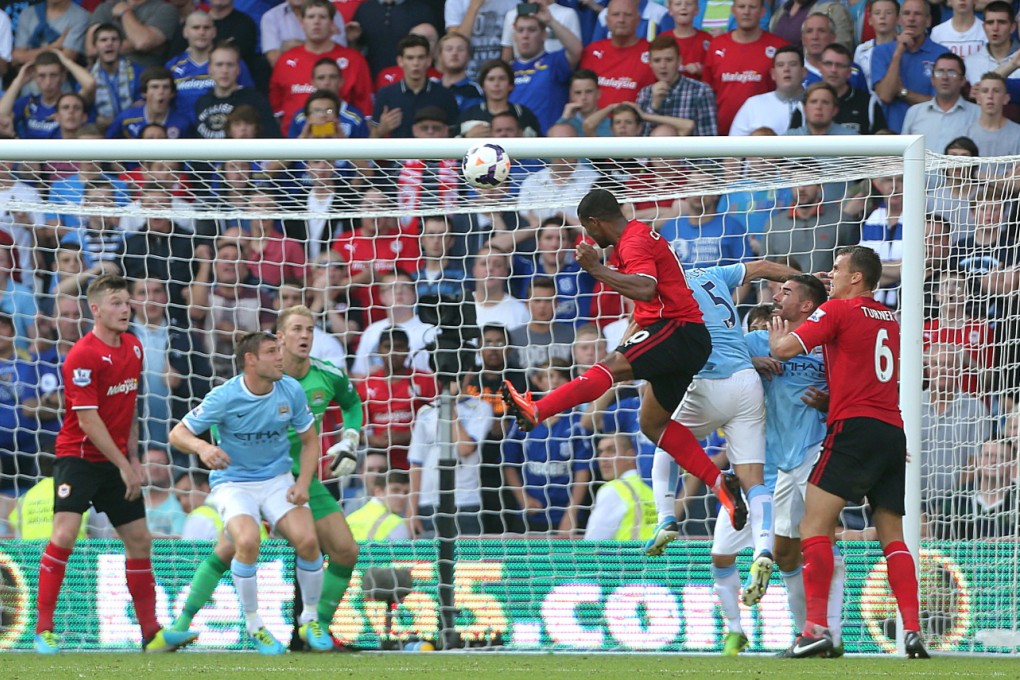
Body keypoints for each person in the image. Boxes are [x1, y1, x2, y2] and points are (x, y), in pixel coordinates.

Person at [502, 188, 748, 531]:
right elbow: (648, 299)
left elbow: (646, 289)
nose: (589, 237)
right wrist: (629, 334)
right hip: (685, 338)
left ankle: (538, 410)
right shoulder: (633, 240)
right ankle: (720, 485)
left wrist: (596, 270)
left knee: (608, 368)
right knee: (652, 425)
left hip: (677, 330)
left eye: (588, 230)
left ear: (595, 221)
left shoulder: (633, 241)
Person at [768, 245, 929, 659]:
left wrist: (778, 338)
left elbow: (785, 351)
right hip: (891, 431)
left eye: (837, 269)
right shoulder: (892, 319)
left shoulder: (838, 311)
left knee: (813, 527)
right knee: (893, 537)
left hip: (852, 430)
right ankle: (912, 630)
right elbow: (882, 371)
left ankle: (814, 629)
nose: (830, 274)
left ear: (856, 277)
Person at [169, 306, 362, 649]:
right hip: (241, 479)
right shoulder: (233, 391)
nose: (305, 336)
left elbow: (347, 407)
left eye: (311, 330)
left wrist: (350, 439)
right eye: (298, 330)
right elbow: (189, 429)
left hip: (289, 477)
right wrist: (204, 448)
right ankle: (182, 624)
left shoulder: (316, 379)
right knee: (234, 547)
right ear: (279, 338)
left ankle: (316, 626)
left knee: (343, 549)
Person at [33, 275, 196, 654]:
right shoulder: (83, 356)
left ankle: (152, 634)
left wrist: (133, 459)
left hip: (119, 458)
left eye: (127, 303)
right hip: (80, 457)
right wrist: (124, 463)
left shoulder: (134, 347)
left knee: (140, 541)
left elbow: (129, 409)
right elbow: (88, 420)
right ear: (96, 309)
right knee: (64, 536)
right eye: (117, 303)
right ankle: (43, 630)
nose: (126, 309)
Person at [645, 259, 797, 612]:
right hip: (745, 381)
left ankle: (666, 517)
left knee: (664, 440)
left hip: (707, 380)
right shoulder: (712, 272)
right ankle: (763, 548)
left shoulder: (659, 289)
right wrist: (798, 280)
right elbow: (760, 267)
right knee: (754, 481)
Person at [407, 381, 493, 537]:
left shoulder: (481, 408)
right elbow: (416, 462)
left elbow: (465, 448)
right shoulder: (425, 411)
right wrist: (411, 512)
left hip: (465, 501)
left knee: (468, 561)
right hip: (428, 502)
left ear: (470, 372)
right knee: (430, 559)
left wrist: (449, 405)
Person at [702, 0, 788, 135]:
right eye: (742, 7)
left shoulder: (779, 47)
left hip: (764, 136)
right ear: (733, 11)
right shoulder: (716, 45)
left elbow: (787, 92)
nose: (746, 12)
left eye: (752, 7)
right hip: (721, 136)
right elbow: (707, 93)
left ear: (762, 12)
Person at [871, 0, 947, 133]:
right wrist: (898, 53)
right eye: (906, 14)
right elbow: (885, 95)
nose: (911, 19)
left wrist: (902, 92)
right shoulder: (881, 52)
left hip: (929, 132)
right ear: (899, 20)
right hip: (892, 134)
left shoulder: (942, 54)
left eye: (917, 14)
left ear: (928, 20)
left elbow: (940, 104)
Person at [373, 34, 459, 139]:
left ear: (429, 61)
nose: (415, 63)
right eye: (410, 58)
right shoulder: (386, 94)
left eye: (421, 57)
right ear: (400, 61)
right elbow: (371, 139)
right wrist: (381, 130)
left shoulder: (445, 95)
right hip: (398, 154)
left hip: (433, 154)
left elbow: (453, 136)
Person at [635, 33, 717, 136]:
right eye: (657, 61)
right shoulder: (645, 93)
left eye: (669, 60)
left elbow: (709, 139)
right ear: (650, 63)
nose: (663, 66)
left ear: (679, 61)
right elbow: (640, 140)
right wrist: (654, 106)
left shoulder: (701, 91)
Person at [579, 0, 655, 108]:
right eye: (616, 15)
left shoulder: (653, 53)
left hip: (637, 122)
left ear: (638, 20)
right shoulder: (592, 51)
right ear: (606, 20)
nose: (621, 20)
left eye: (628, 15)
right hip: (597, 122)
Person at [584, 433, 656, 541]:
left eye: (611, 451)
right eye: (600, 452)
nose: (603, 458)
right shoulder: (650, 492)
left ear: (629, 456)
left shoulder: (612, 490)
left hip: (628, 557)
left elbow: (592, 545)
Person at [901, 52, 978, 152]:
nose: (945, 78)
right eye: (939, 72)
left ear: (962, 80)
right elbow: (903, 154)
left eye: (952, 73)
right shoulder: (914, 112)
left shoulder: (977, 114)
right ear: (932, 79)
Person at [728, 45, 804, 137]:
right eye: (780, 65)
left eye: (793, 64)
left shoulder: (817, 103)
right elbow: (734, 146)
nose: (786, 69)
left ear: (804, 72)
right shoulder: (753, 105)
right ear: (773, 74)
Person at [86, 0, 179, 67]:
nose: (110, 43)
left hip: (145, 80)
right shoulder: (106, 8)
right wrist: (136, 39)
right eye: (105, 40)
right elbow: (92, 49)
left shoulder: (165, 9)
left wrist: (126, 13)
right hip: (105, 76)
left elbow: (142, 42)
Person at [88, 24, 144, 130]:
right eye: (103, 40)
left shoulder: (139, 72)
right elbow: (87, 113)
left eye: (114, 39)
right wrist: (96, 119)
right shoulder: (87, 78)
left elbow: (140, 108)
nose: (109, 43)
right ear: (95, 46)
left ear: (121, 44)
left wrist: (114, 121)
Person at [346, 471, 411, 542]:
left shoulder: (350, 518)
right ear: (378, 492)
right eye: (395, 490)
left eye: (406, 492)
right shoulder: (397, 524)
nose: (402, 496)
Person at [966, 72, 1020, 158]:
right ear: (978, 98)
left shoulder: (1018, 134)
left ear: (1006, 99)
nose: (990, 96)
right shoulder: (966, 133)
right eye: (985, 91)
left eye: (996, 91)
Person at [854, 0, 898, 89]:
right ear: (870, 19)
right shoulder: (861, 50)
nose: (882, 17)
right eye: (877, 13)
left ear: (898, 18)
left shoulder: (904, 47)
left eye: (888, 13)